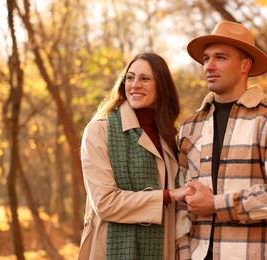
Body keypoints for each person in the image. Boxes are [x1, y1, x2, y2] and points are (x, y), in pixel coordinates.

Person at [175, 21, 267, 260]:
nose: (209, 66)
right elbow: (181, 203)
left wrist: (216, 204)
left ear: (245, 65)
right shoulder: (189, 127)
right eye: (206, 59)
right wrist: (184, 252)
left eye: (220, 58)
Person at [78, 52, 192, 260]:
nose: (135, 84)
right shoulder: (99, 131)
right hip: (110, 250)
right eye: (129, 78)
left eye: (145, 78)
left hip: (163, 250)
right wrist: (170, 195)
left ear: (162, 86)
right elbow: (105, 203)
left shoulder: (169, 136)